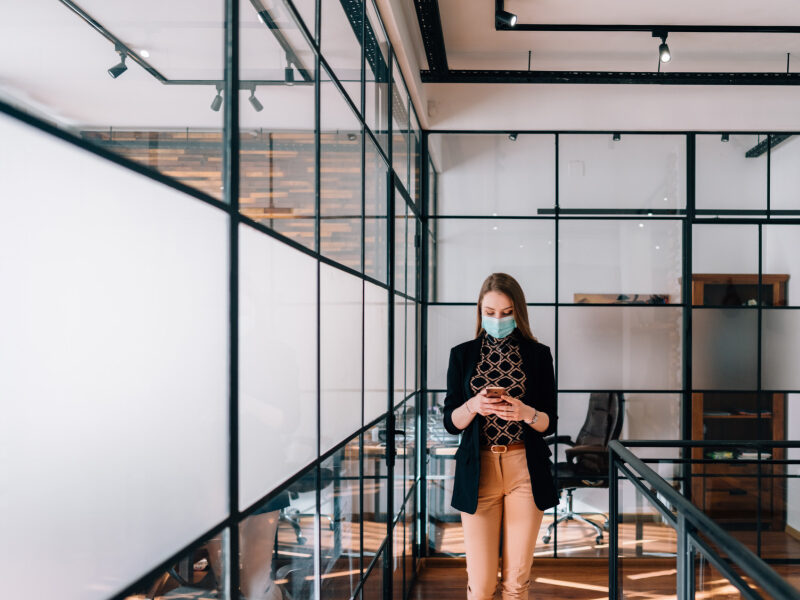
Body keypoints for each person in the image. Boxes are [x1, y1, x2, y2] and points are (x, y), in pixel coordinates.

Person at [442, 272, 559, 600]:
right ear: (479, 311)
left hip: (524, 468)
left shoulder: (538, 355)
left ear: (518, 313)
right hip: (479, 472)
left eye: (506, 313)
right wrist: (474, 405)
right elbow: (452, 423)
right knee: (480, 585)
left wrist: (525, 413)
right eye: (490, 312)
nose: (497, 319)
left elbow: (549, 423)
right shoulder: (462, 355)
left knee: (516, 582)